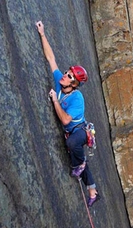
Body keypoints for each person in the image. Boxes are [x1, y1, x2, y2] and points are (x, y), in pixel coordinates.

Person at [36, 21, 100, 207]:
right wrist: (42, 33)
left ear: (75, 84)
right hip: (73, 130)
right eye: (67, 72)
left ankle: (80, 168)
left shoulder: (77, 98)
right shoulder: (60, 82)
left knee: (73, 145)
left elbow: (64, 120)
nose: (64, 75)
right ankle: (93, 191)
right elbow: (51, 59)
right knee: (78, 156)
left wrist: (55, 100)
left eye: (70, 76)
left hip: (79, 131)